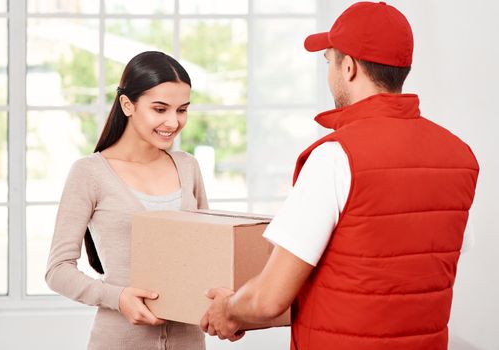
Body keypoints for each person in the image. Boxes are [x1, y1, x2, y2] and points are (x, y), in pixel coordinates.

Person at [200, 2, 479, 349]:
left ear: (348, 67)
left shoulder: (336, 157)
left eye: (329, 61)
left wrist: (227, 309)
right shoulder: (458, 156)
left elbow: (269, 299)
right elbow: (415, 266)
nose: (329, 73)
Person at [46, 51, 208, 350]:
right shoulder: (89, 173)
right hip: (118, 340)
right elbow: (57, 270)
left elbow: (207, 256)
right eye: (160, 109)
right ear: (127, 104)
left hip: (189, 340)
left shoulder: (188, 166)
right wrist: (118, 298)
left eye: (182, 110)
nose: (173, 122)